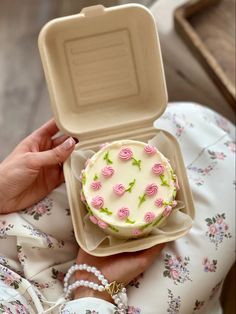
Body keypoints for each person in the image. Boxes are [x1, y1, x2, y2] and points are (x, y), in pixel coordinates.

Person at [0, 102, 235, 314]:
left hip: (7, 236)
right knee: (224, 191)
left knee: (181, 123)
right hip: (91, 301)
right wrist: (94, 291)